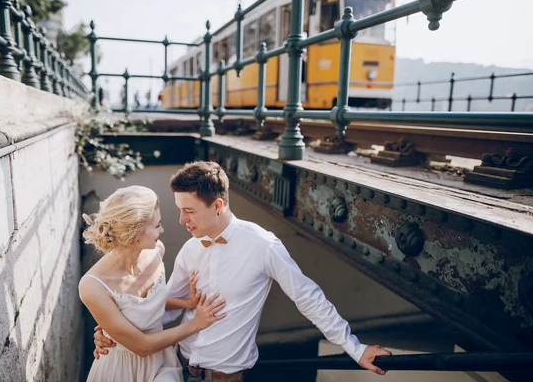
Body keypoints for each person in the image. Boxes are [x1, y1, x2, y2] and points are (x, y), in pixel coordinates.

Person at [94, 162, 392, 381]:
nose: (181, 220)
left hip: (225, 377)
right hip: (176, 368)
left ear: (218, 205)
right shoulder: (190, 248)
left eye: (189, 211)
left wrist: (354, 348)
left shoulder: (264, 246)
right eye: (179, 209)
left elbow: (308, 298)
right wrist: (116, 331)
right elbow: (164, 310)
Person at [79, 185, 226, 382]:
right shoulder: (92, 286)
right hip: (121, 370)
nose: (162, 230)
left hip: (162, 363)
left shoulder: (157, 251)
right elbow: (142, 346)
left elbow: (147, 304)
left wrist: (187, 303)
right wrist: (196, 324)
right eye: (157, 226)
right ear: (134, 233)